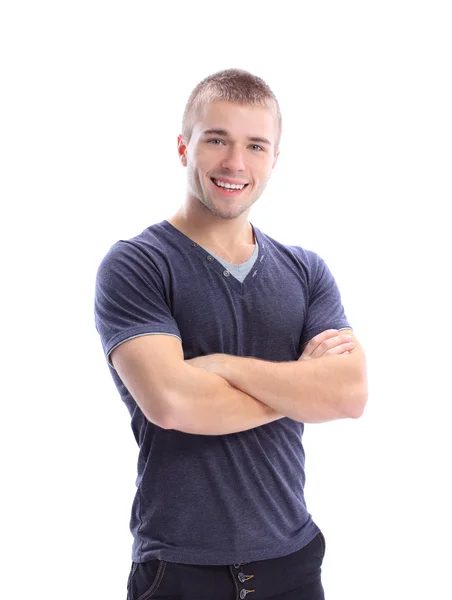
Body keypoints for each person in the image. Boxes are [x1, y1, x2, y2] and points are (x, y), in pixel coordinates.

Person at [94, 68, 368, 600]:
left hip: (293, 561)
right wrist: (303, 390)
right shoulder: (137, 265)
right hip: (179, 568)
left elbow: (349, 395)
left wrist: (221, 367)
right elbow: (172, 404)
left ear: (274, 159)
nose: (235, 163)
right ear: (184, 147)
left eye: (255, 146)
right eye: (216, 140)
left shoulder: (306, 271)